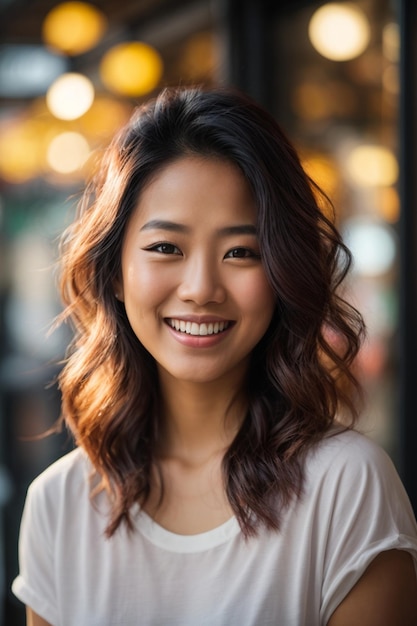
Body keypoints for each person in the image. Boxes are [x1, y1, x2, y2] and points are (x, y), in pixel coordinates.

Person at [12, 86, 417, 626]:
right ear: (114, 272)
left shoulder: (347, 487)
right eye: (166, 248)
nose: (201, 288)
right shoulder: (59, 505)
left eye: (241, 252)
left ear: (281, 273)